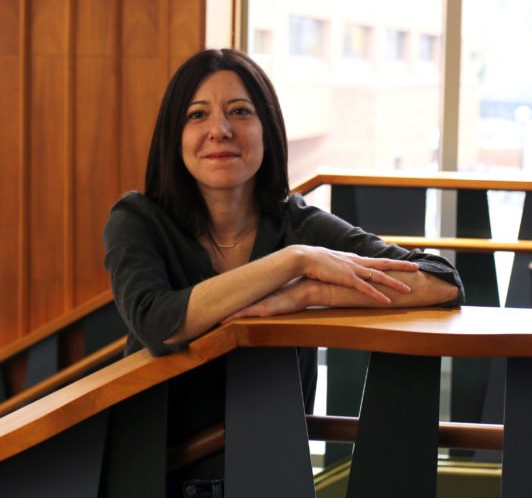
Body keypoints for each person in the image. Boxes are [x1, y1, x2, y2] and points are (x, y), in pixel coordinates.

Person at [104, 48, 463, 497]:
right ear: (175, 137)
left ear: (267, 132)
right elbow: (160, 323)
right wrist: (292, 263)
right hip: (151, 478)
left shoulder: (296, 223)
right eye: (198, 115)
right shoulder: (137, 219)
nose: (220, 130)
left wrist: (309, 293)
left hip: (271, 473)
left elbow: (441, 280)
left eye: (240, 111)